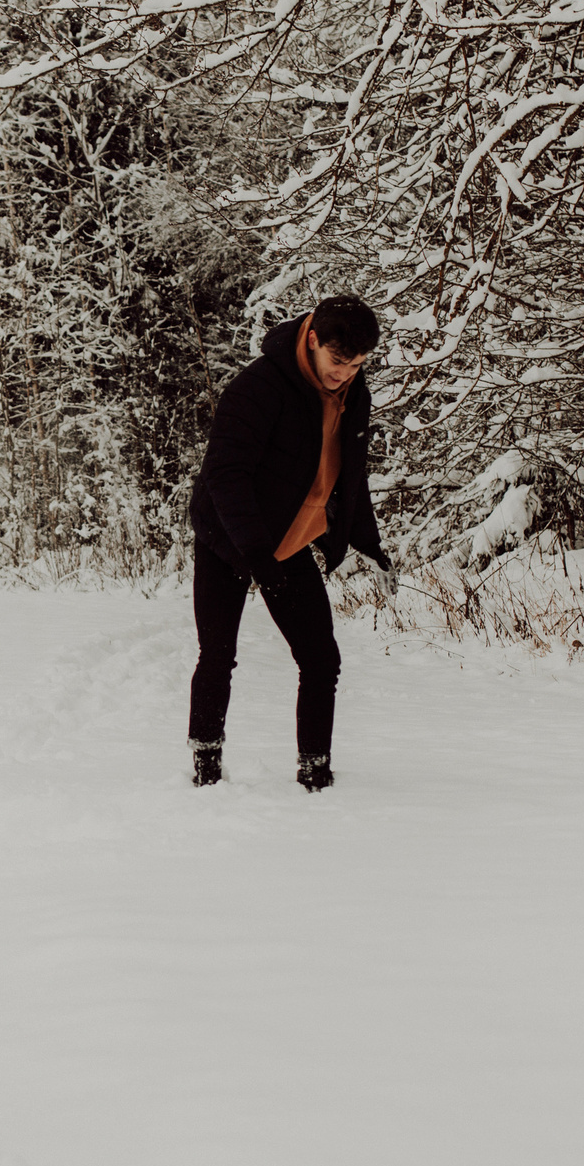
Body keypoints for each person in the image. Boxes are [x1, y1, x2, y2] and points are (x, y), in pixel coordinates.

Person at [187, 294, 392, 793]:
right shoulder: (258, 387)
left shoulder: (351, 392)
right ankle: (206, 766)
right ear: (313, 339)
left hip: (289, 541)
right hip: (228, 538)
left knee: (322, 660)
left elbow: (348, 474)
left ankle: (315, 772)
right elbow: (225, 475)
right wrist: (255, 553)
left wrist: (365, 540)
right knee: (218, 655)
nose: (345, 374)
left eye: (357, 365)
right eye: (338, 362)